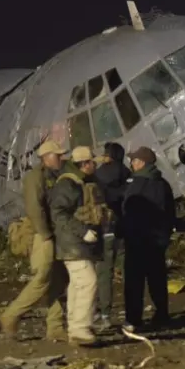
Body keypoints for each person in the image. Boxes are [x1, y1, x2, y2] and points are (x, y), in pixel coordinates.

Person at [0, 139, 69, 341]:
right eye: (58, 155)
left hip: (52, 233)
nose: (61, 158)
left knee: (58, 279)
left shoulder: (52, 175)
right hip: (42, 235)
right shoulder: (35, 178)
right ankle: (11, 315)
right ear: (46, 158)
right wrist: (45, 234)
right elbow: (34, 207)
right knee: (42, 278)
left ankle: (55, 327)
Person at [50, 145, 113, 347]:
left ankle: (76, 328)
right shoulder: (68, 184)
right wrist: (82, 231)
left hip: (82, 244)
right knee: (88, 281)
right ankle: (80, 328)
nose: (94, 164)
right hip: (73, 244)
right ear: (84, 164)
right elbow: (59, 213)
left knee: (78, 285)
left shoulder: (86, 182)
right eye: (92, 162)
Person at [121, 146, 175, 331]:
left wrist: (124, 231)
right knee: (157, 279)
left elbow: (128, 210)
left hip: (137, 240)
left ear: (141, 163)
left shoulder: (136, 183)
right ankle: (162, 314)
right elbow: (170, 212)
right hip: (157, 241)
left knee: (134, 282)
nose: (132, 164)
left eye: (134, 160)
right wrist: (165, 236)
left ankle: (133, 319)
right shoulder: (163, 183)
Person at [93, 142, 130, 330]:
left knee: (104, 273)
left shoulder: (99, 175)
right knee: (127, 271)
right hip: (123, 229)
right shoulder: (127, 173)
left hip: (105, 227)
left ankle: (105, 314)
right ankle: (132, 312)